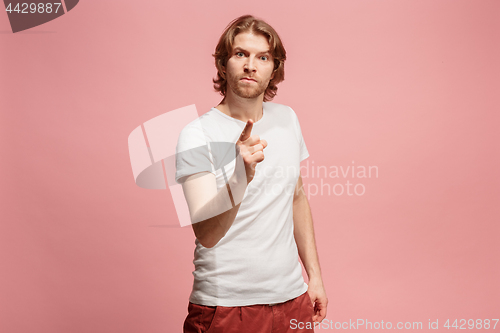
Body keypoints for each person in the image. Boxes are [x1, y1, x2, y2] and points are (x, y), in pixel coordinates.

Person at [175, 14, 327, 332]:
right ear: (223, 63)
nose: (250, 65)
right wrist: (240, 176)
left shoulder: (287, 119)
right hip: (225, 306)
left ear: (275, 69)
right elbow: (206, 234)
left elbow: (296, 198)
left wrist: (314, 276)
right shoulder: (196, 134)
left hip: (292, 300)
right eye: (240, 54)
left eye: (262, 57)